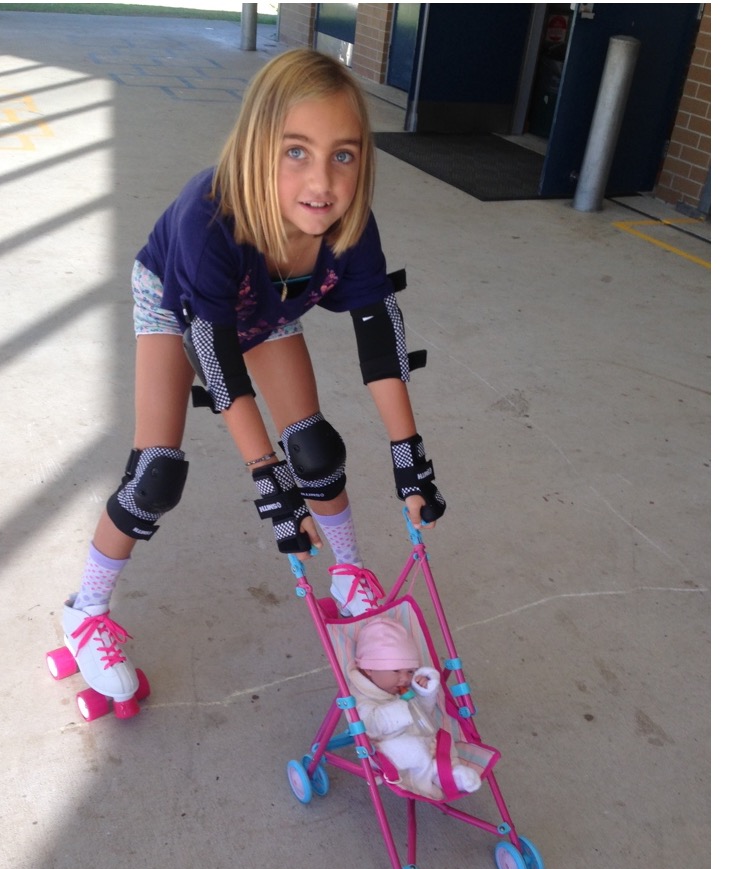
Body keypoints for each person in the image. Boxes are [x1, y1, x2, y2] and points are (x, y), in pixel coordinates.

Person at [55, 49, 447, 719]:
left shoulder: (350, 223)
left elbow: (378, 330)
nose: (322, 181)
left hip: (266, 304)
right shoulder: (208, 218)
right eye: (296, 151)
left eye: (343, 155)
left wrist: (409, 455)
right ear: (258, 146)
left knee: (315, 449)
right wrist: (265, 476)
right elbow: (214, 353)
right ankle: (84, 611)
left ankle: (348, 569)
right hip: (180, 300)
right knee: (156, 473)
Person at [350, 613, 481, 798]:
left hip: (422, 739)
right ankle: (426, 783)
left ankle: (451, 771)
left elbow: (422, 716)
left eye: (410, 671)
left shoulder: (399, 688)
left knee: (444, 738)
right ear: (369, 669)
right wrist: (401, 706)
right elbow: (369, 727)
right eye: (396, 671)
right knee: (415, 750)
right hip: (385, 750)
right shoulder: (362, 697)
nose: (404, 678)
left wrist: (423, 693)